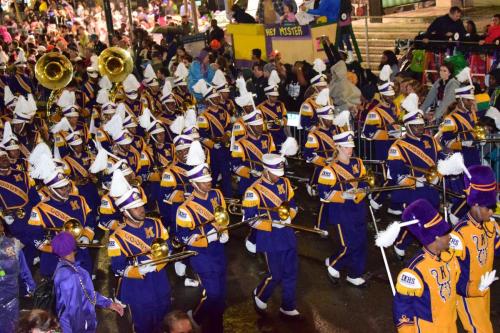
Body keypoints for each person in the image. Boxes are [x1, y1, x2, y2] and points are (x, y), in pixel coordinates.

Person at [108, 169, 172, 333]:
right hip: (138, 289)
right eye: (136, 208)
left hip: (160, 282)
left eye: (141, 205)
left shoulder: (155, 223)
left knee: (163, 322)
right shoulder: (116, 238)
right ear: (125, 212)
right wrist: (138, 270)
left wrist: (160, 259)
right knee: (144, 327)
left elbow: (168, 246)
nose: (142, 209)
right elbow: (118, 268)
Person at [391, 199, 463, 332]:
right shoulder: (415, 270)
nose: (450, 237)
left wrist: (475, 288)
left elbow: (456, 285)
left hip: (450, 324)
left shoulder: (448, 257)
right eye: (446, 234)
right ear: (436, 237)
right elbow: (402, 307)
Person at [176, 150, 228, 333]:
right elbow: (183, 236)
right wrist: (208, 237)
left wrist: (224, 231)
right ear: (194, 184)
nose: (209, 182)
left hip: (219, 251)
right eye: (204, 181)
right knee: (213, 293)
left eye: (209, 178)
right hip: (202, 255)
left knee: (221, 294)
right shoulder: (185, 209)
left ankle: (211, 322)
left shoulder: (217, 195)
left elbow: (223, 217)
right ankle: (205, 323)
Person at [244, 152, 301, 318]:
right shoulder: (253, 191)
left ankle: (288, 306)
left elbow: (293, 204)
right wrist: (271, 224)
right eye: (275, 174)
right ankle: (260, 295)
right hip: (269, 237)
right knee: (275, 274)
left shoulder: (285, 182)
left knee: (291, 271)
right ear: (266, 171)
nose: (278, 178)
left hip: (287, 233)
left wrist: (290, 215)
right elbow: (249, 219)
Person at [317, 131, 368, 287]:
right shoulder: (329, 170)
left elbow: (365, 182)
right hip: (341, 212)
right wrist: (343, 195)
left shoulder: (358, 163)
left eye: (351, 146)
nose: (349, 150)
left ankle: (354, 274)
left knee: (361, 243)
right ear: (337, 147)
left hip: (358, 208)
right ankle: (334, 263)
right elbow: (324, 194)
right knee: (349, 244)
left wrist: (362, 191)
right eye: (346, 147)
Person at [453, 165, 499, 333]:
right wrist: (473, 289)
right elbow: (453, 274)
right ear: (476, 205)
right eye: (489, 208)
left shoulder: (490, 224)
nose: (492, 212)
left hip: (484, 291)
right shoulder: (459, 234)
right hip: (467, 294)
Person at [53, 231, 124, 332]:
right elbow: (74, 311)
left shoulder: (66, 268)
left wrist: (108, 303)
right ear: (72, 246)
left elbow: (86, 293)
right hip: (81, 327)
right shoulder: (71, 276)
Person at [0, 218, 35, 333]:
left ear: (2, 227)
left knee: (10, 327)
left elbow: (23, 269)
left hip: (11, 297)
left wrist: (31, 287)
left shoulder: (13, 244)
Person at [257, 70, 287, 148]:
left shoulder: (281, 104)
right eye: (273, 96)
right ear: (267, 96)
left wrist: (283, 122)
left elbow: (285, 117)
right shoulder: (260, 107)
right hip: (268, 136)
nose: (275, 98)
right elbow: (259, 124)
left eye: (276, 96)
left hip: (281, 134)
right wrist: (272, 124)